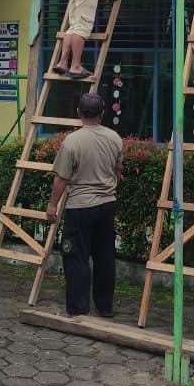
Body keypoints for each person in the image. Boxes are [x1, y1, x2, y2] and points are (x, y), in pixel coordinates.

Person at [45, 93, 122, 318]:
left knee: (75, 256)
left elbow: (61, 178)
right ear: (102, 113)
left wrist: (52, 206)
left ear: (78, 113)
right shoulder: (114, 138)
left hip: (80, 206)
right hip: (107, 204)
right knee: (105, 256)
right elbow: (118, 171)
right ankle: (105, 306)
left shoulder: (72, 142)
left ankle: (78, 308)